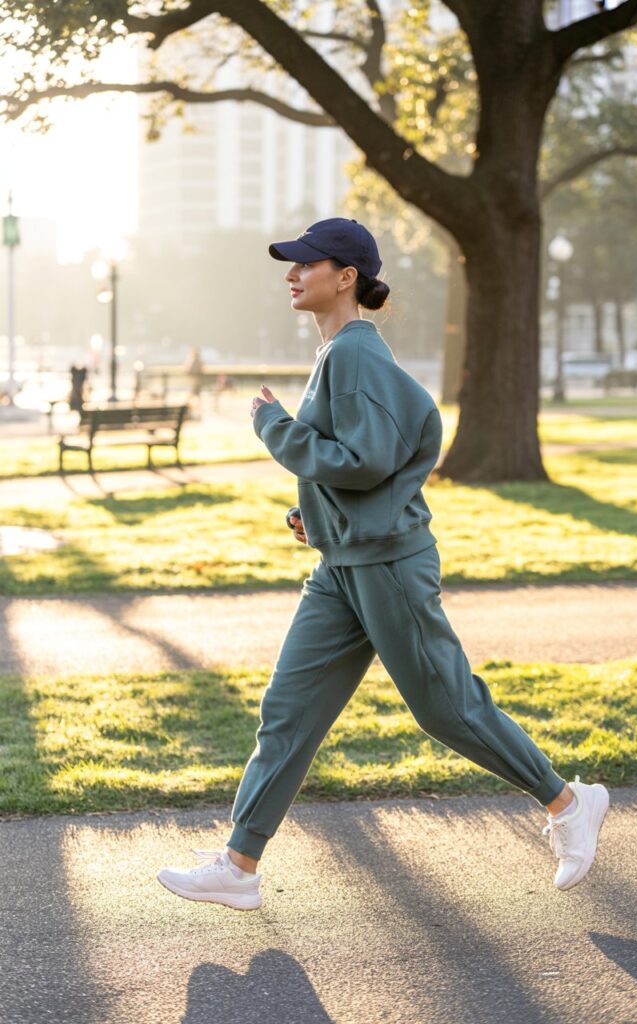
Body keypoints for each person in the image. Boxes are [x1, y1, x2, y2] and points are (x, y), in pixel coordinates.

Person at [157, 218, 609, 911]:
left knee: (447, 708)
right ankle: (240, 865)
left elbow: (366, 461)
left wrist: (275, 426)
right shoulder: (339, 353)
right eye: (290, 264)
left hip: (388, 566)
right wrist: (317, 517)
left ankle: (569, 804)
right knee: (289, 710)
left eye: (307, 264)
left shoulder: (355, 353)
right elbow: (364, 460)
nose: (292, 274)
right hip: (342, 564)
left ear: (346, 278)